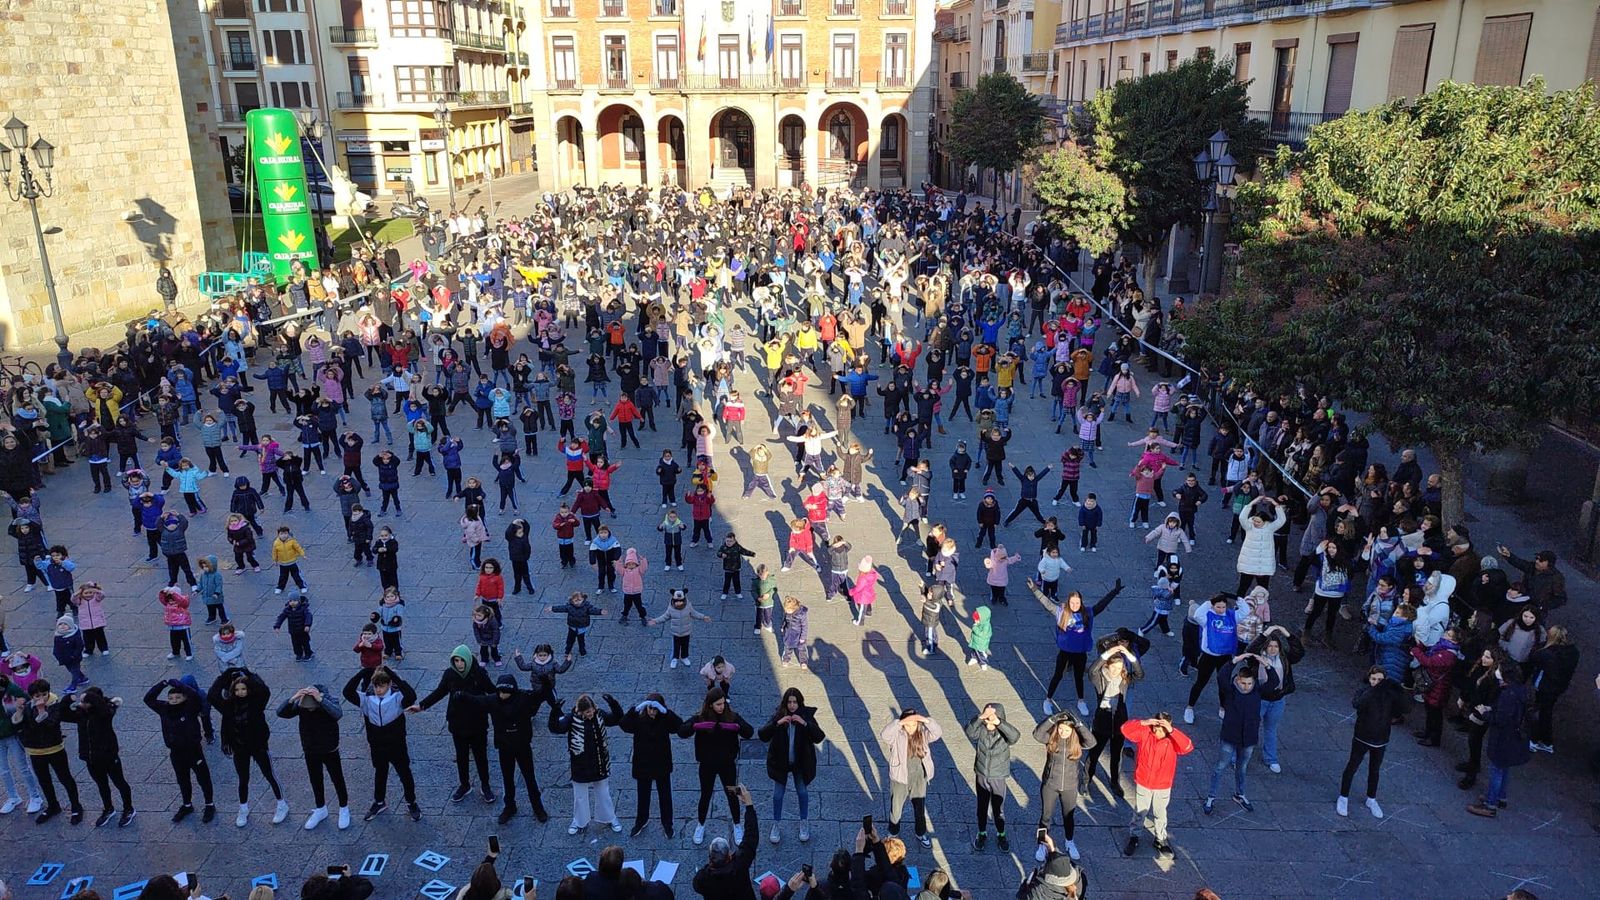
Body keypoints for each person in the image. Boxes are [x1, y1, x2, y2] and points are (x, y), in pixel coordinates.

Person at [459, 673, 550, 825]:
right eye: (500, 692)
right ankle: (509, 806)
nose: (502, 695)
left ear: (513, 691)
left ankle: (537, 806)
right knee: (507, 779)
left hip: (522, 746)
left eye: (505, 692)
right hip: (504, 747)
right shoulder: (493, 700)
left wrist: (545, 681)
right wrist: (462, 695)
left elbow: (541, 695)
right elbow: (477, 700)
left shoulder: (524, 697)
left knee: (529, 777)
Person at [410, 645, 497, 803]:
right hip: (458, 723)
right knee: (461, 756)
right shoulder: (450, 674)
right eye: (456, 660)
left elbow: (492, 692)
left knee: (481, 757)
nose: (459, 664)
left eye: (461, 660)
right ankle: (464, 785)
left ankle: (485, 786)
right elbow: (440, 692)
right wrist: (422, 705)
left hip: (477, 723)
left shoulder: (479, 673)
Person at [206, 667, 288, 827]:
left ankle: (281, 804)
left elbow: (264, 690)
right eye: (237, 689)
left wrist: (249, 674)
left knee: (269, 774)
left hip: (258, 745)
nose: (240, 692)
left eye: (243, 688)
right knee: (243, 779)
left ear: (248, 689)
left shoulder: (256, 703)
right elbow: (212, 695)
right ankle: (243, 808)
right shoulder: (228, 706)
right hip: (239, 747)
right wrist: (225, 675)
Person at [342, 666, 421, 822]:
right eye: (376, 685)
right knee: (380, 772)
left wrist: (394, 676)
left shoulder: (398, 698)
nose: (378, 689)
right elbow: (347, 692)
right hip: (377, 745)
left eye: (382, 686)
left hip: (396, 745)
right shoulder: (366, 699)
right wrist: (362, 673)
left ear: (389, 684)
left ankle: (411, 802)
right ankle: (379, 802)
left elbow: (411, 696)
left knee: (404, 773)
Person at [1034, 579, 1124, 716]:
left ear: (1081, 602)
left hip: (1080, 652)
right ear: (1068, 602)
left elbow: (1101, 605)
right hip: (1065, 652)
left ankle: (1081, 701)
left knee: (1078, 677)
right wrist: (1035, 590)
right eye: (1072, 602)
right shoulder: (1061, 612)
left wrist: (1114, 592)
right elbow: (1047, 604)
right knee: (1058, 675)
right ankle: (1048, 700)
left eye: (1077, 602)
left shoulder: (1087, 613)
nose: (1075, 605)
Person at [680, 687, 755, 845]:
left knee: (732, 795)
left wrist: (737, 727)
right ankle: (700, 825)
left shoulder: (732, 717)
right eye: (718, 704)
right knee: (705, 795)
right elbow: (682, 731)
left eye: (723, 703)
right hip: (707, 765)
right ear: (710, 705)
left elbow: (749, 732)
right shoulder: (700, 718)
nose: (722, 707)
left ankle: (737, 825)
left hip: (727, 765)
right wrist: (695, 727)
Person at [1203, 655, 1277, 815]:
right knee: (1220, 766)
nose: (1246, 686)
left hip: (1248, 738)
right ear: (1237, 680)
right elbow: (1222, 676)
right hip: (1230, 736)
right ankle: (1211, 796)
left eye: (1249, 683)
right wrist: (1235, 660)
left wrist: (1266, 665)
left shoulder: (1258, 691)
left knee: (1242, 767)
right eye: (1243, 683)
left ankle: (1240, 794)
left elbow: (1274, 682)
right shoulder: (1230, 690)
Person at [549, 691, 626, 834]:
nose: (590, 714)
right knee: (580, 796)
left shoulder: (599, 714)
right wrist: (554, 711)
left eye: (591, 711)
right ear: (580, 710)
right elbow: (556, 728)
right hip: (580, 765)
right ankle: (579, 821)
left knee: (604, 793)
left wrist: (613, 703)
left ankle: (610, 817)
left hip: (599, 762)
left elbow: (617, 718)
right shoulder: (571, 718)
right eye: (587, 712)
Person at [276, 683, 350, 830]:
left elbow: (337, 714)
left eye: (311, 706)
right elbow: (281, 713)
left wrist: (321, 700)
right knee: (316, 780)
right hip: (310, 750)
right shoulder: (302, 705)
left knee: (337, 779)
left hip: (330, 749)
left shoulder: (329, 701)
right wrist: (294, 698)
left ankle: (344, 808)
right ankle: (321, 808)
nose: (308, 709)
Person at [59, 686, 135, 827]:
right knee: (101, 784)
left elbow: (104, 712)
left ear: (94, 702)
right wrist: (68, 699)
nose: (81, 704)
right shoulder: (81, 714)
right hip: (91, 757)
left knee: (119, 782)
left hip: (108, 756)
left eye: (85, 702)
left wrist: (92, 699)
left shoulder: (106, 712)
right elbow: (62, 714)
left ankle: (128, 808)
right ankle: (108, 808)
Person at [142, 677, 215, 823]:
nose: (174, 700)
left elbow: (194, 695)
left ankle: (209, 804)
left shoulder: (190, 707)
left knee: (203, 778)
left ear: (184, 698)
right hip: (176, 752)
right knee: (183, 779)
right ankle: (187, 805)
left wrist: (179, 684)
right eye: (171, 697)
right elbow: (148, 699)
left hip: (194, 750)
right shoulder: (164, 709)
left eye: (177, 697)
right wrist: (162, 684)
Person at [1336, 666, 1406, 819]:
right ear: (1369, 679)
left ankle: (1371, 798)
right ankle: (1343, 797)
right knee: (1352, 766)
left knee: (1375, 770)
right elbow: (1357, 704)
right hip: (1362, 736)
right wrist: (1373, 691)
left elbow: (1403, 709)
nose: (1376, 683)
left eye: (1380, 680)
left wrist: (1398, 692)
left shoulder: (1388, 695)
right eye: (1373, 679)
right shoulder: (1365, 691)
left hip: (1381, 739)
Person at [757, 687, 824, 845]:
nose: (792, 705)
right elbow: (762, 735)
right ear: (785, 703)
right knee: (777, 795)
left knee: (802, 792)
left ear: (799, 703)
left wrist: (805, 724)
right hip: (781, 762)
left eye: (795, 702)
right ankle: (776, 824)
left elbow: (819, 736)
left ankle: (804, 822)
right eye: (789, 702)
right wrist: (777, 723)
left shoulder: (806, 716)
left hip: (799, 763)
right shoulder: (779, 715)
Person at [1121, 712, 1193, 858]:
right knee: (1140, 812)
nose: (1157, 731)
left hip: (1162, 785)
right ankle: (1134, 836)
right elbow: (1125, 730)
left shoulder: (1173, 740)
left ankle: (1160, 839)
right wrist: (1143, 722)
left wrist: (1172, 731)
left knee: (1160, 813)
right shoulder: (1145, 733)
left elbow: (1187, 747)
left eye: (1161, 729)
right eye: (1155, 727)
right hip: (1144, 782)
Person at [13, 679, 84, 824]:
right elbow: (21, 725)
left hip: (54, 749)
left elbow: (50, 725)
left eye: (44, 694)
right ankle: (53, 805)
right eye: (37, 696)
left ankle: (76, 806)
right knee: (44, 781)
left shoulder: (55, 706)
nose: (41, 698)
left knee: (65, 778)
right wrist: (19, 712)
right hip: (35, 751)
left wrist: (41, 711)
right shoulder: (28, 707)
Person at [1468, 661, 1532, 818]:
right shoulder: (1520, 691)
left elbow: (1500, 719)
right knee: (1504, 768)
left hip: (1503, 738)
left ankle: (1490, 804)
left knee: (1496, 769)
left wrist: (1485, 712)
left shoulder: (1507, 695)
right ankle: (1500, 797)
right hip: (1514, 738)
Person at [1033, 709, 1096, 861]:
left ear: (1072, 730)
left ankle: (1069, 841)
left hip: (1069, 785)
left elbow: (1092, 741)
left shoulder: (1077, 741)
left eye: (1067, 730)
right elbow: (1037, 734)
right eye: (1061, 729)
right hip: (1050, 783)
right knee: (1045, 816)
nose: (1063, 732)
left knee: (1068, 816)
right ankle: (1042, 843)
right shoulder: (1052, 738)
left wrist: (1079, 724)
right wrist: (1053, 719)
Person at [620, 692, 682, 838]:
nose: (652, 712)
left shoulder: (665, 720)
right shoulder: (638, 720)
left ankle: (667, 823)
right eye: (649, 708)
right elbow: (623, 724)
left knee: (665, 795)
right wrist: (635, 709)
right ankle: (641, 821)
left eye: (655, 709)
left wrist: (666, 712)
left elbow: (679, 726)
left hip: (661, 764)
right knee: (643, 795)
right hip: (643, 765)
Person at [880, 708, 943, 847]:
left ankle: (920, 833)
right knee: (896, 807)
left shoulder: (923, 734)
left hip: (919, 775)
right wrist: (899, 722)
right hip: (900, 776)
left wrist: (925, 720)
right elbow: (885, 735)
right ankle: (893, 832)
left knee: (919, 807)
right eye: (907, 725)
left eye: (913, 724)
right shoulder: (897, 735)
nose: (910, 728)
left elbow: (938, 732)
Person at [965, 702, 1020, 852]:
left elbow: (1015, 737)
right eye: (987, 717)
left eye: (993, 718)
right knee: (981, 806)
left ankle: (1001, 834)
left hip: (998, 776)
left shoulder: (1004, 733)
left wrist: (999, 723)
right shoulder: (981, 730)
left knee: (998, 808)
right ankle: (982, 832)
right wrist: (980, 717)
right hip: (982, 773)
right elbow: (969, 732)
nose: (989, 720)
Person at [690, 784, 761, 900]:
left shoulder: (703, 878)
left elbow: (696, 885)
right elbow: (751, 837)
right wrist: (749, 805)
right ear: (729, 856)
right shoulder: (740, 865)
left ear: (710, 858)